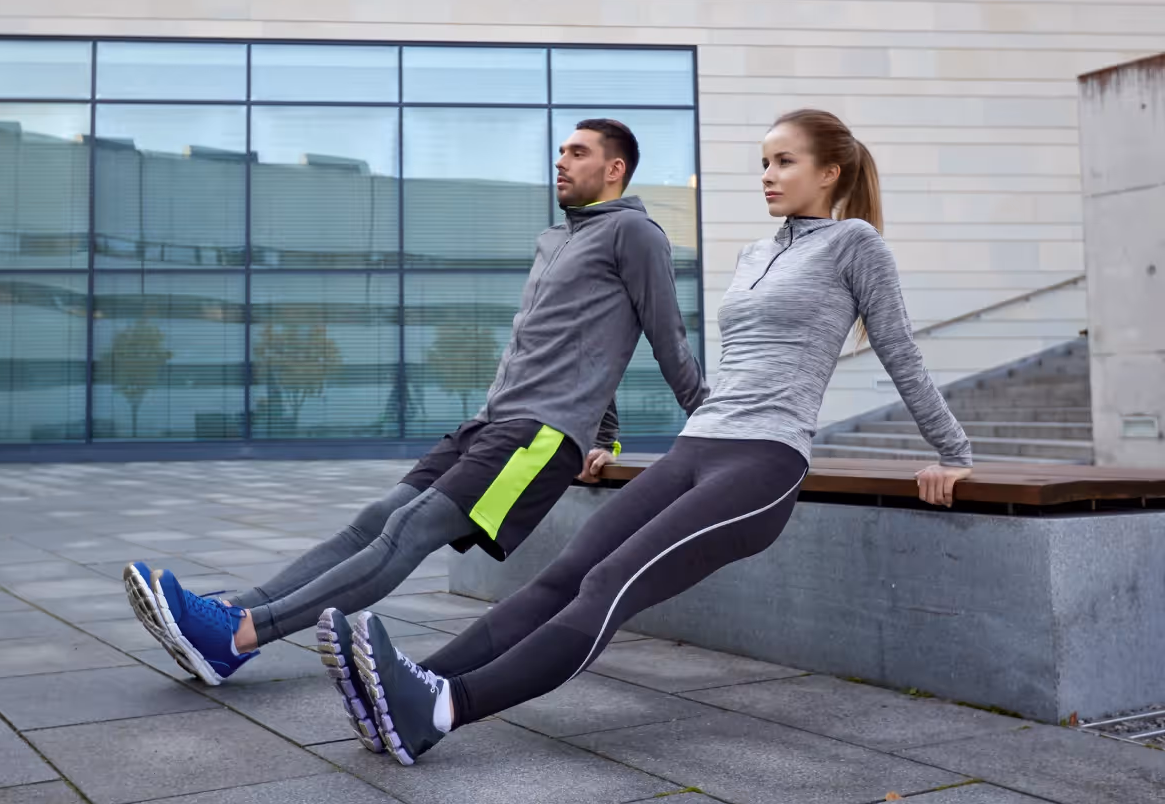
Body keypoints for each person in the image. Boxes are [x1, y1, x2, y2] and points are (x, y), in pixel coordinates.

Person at [330, 108, 976, 766]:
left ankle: (441, 706)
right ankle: (403, 684)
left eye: (784, 162)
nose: (768, 176)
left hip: (763, 461)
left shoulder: (856, 244)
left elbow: (901, 351)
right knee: (563, 574)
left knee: (610, 580)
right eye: (763, 162)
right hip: (697, 445)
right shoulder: (756, 252)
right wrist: (605, 436)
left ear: (830, 171)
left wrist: (952, 452)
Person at [122, 118, 709, 753]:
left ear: (615, 169)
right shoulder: (559, 240)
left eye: (578, 152)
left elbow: (663, 333)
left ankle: (239, 635)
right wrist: (611, 432)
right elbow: (589, 342)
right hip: (491, 422)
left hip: (539, 437)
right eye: (561, 150)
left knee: (411, 530)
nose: (561, 161)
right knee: (374, 517)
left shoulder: (635, 231)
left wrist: (713, 423)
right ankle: (228, 614)